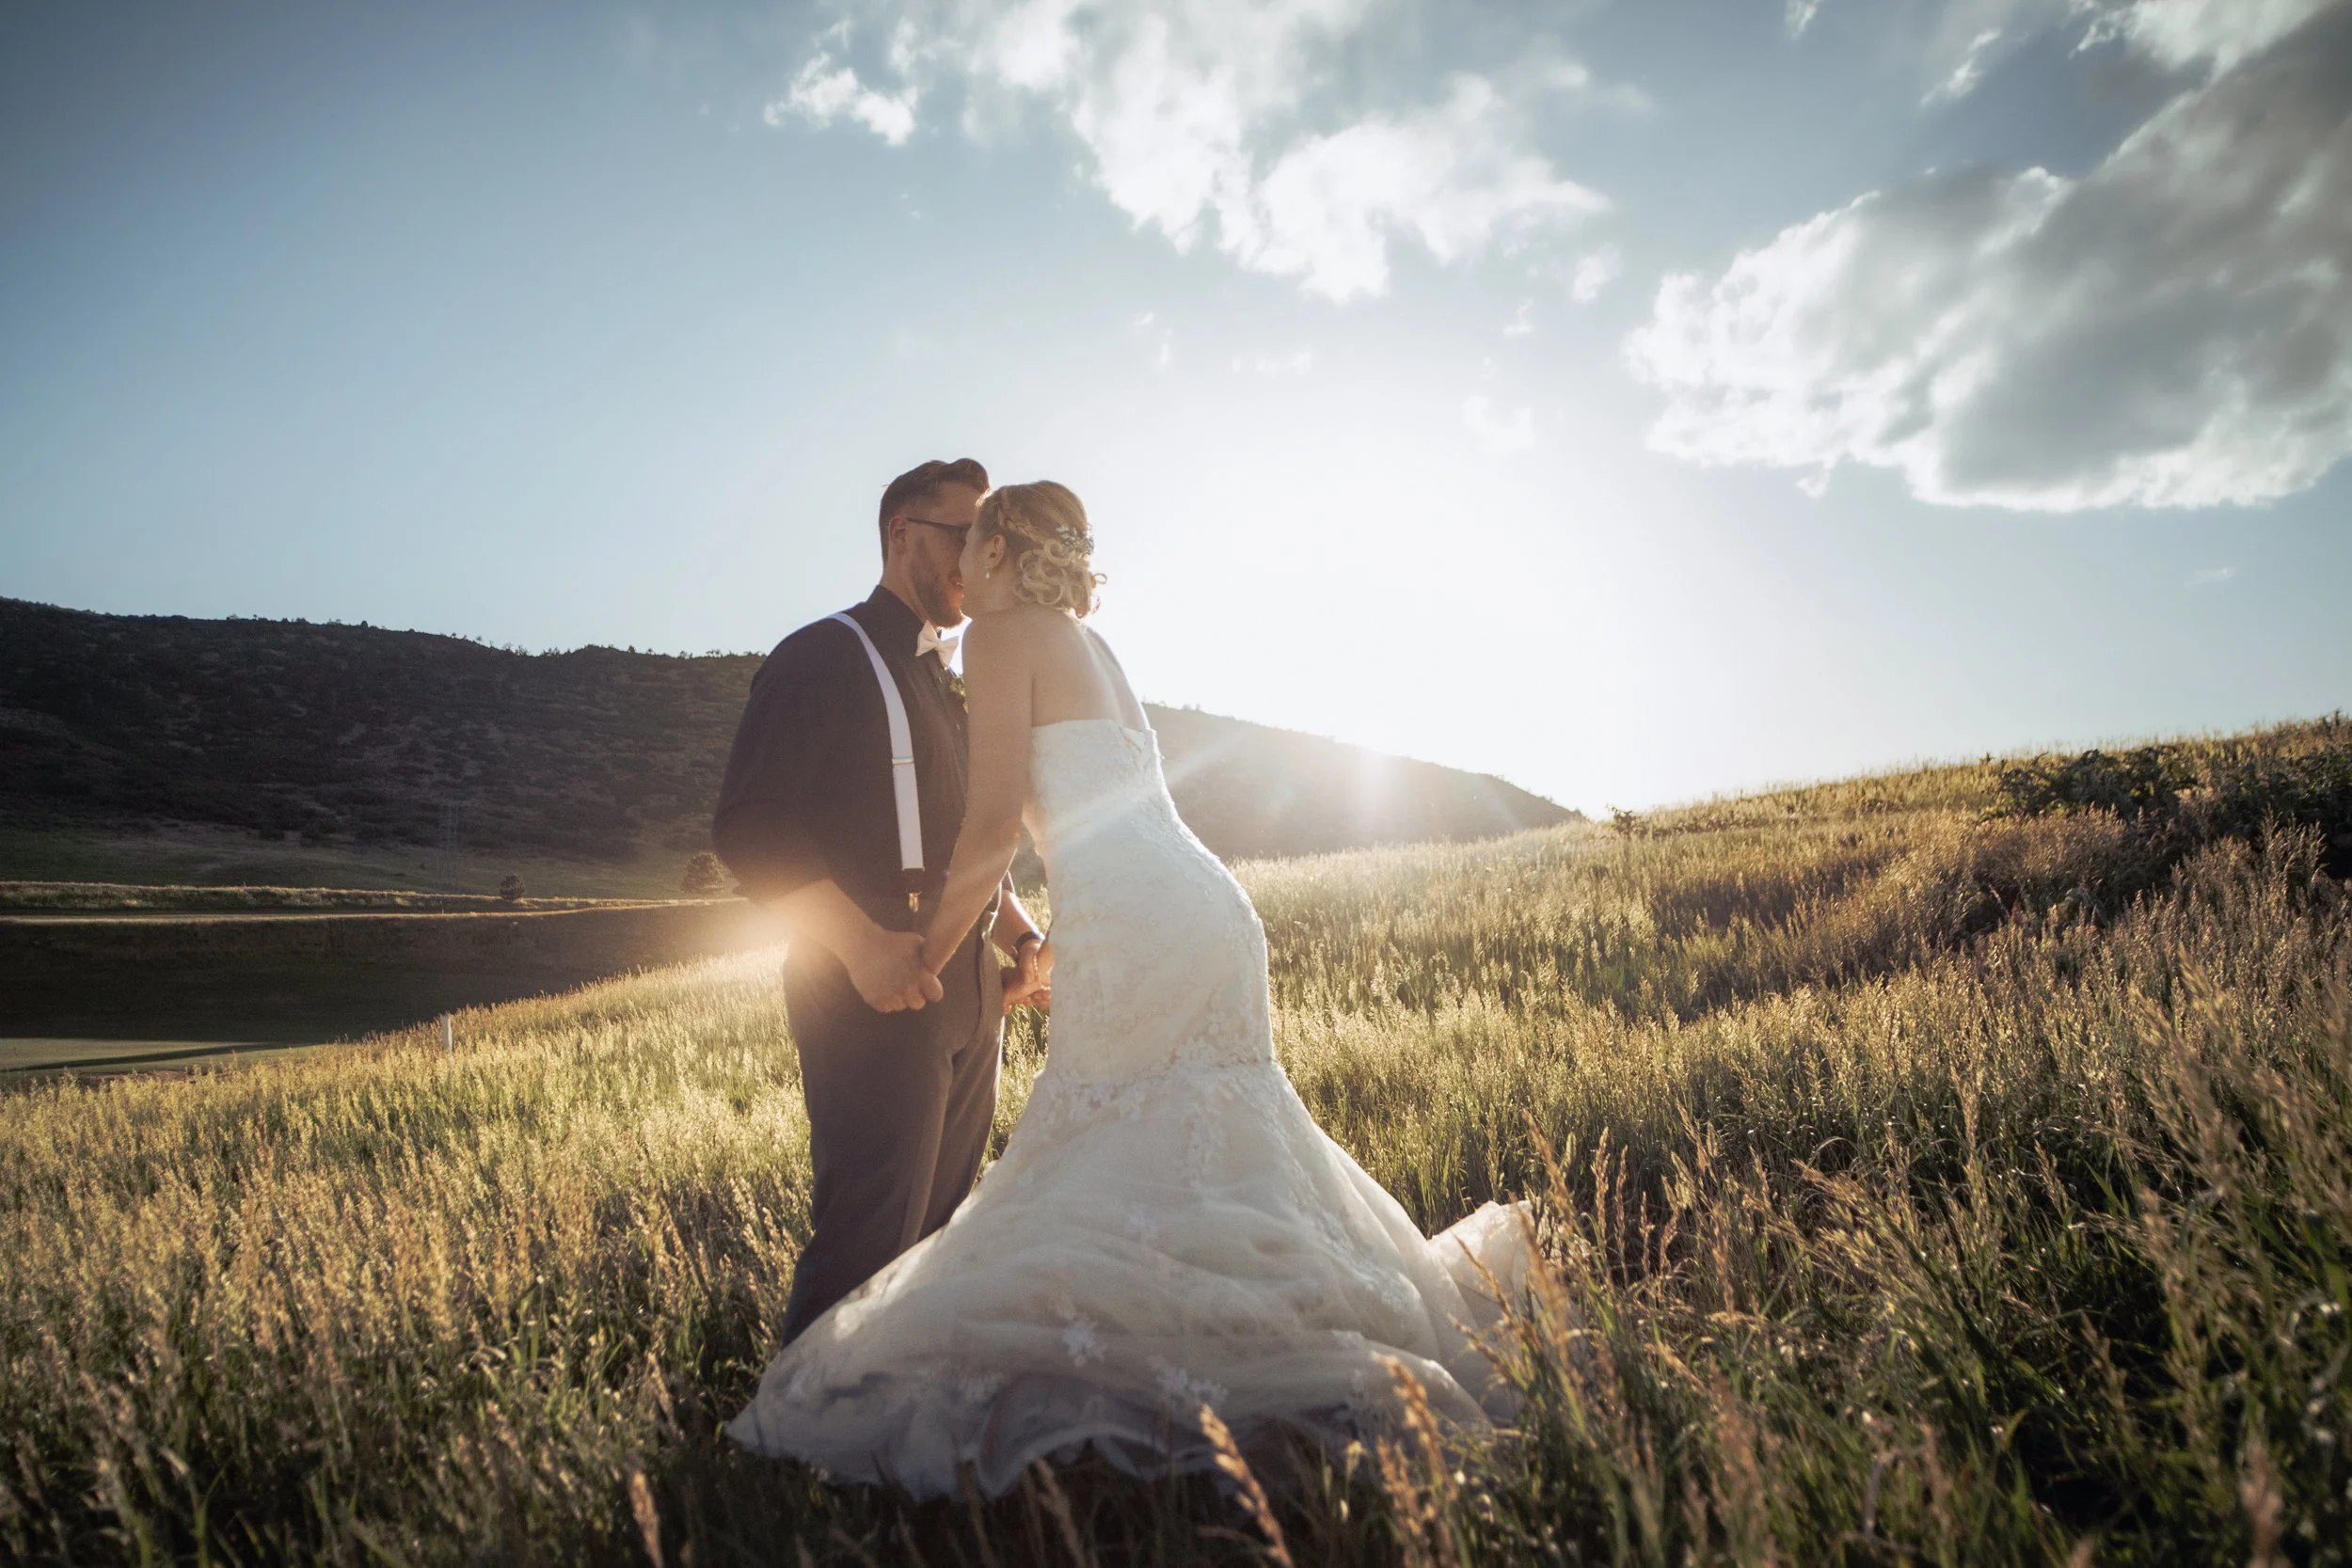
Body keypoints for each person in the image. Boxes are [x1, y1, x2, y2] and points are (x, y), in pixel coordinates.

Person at [726, 480, 1531, 1494]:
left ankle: (1125, 1385)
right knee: (1203, 1140)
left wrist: (929, 947)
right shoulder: (1086, 645)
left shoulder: (1003, 634)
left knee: (1107, 1137)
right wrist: (1039, 934)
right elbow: (1094, 811)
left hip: (1132, 921)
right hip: (1199, 910)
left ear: (1005, 551)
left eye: (978, 541)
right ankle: (1253, 1346)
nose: (968, 565)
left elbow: (985, 830)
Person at [711, 457, 1049, 1348]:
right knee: (869, 1232)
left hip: (971, 991)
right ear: (903, 533)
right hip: (868, 985)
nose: (982, 557)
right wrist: (862, 945)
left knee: (935, 1239)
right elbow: (750, 827)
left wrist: (1015, 935)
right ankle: (794, 1461)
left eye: (992, 541)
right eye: (966, 535)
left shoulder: (948, 679)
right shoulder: (823, 654)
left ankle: (888, 1439)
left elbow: (963, 835)